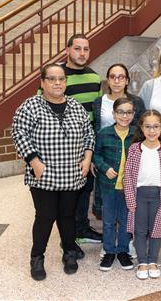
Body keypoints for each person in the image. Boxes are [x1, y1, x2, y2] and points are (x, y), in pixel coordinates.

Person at [12, 63, 95, 281]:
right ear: (42, 82)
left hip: (72, 175)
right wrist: (34, 161)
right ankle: (36, 258)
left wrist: (87, 158)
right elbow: (19, 134)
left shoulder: (76, 106)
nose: (57, 83)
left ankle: (69, 252)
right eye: (52, 79)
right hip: (43, 175)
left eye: (61, 79)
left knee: (67, 216)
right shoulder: (30, 106)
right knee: (45, 217)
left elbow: (89, 134)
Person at [59, 34, 103, 247]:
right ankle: (67, 238)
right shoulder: (57, 76)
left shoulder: (94, 78)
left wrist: (92, 150)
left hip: (86, 145)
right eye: (77, 48)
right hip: (62, 147)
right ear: (67, 50)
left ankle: (82, 229)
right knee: (66, 194)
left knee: (85, 188)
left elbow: (96, 114)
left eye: (86, 49)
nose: (82, 53)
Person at [123, 110, 161, 280]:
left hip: (159, 197)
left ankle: (153, 261)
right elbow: (128, 176)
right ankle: (142, 262)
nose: (152, 131)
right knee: (139, 231)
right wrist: (130, 198)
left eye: (155, 127)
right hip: (139, 195)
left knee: (157, 230)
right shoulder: (134, 149)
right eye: (148, 126)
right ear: (141, 127)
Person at [92, 63, 146, 220]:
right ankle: (108, 239)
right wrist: (95, 159)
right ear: (107, 80)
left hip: (130, 157)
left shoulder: (137, 102)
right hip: (106, 158)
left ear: (127, 81)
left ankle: (127, 237)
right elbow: (95, 129)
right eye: (112, 77)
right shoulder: (98, 102)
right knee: (106, 201)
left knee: (129, 200)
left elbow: (142, 132)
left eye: (121, 77)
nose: (117, 81)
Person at [93, 97, 136, 272]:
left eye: (128, 112)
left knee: (126, 221)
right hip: (109, 186)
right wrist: (104, 167)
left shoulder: (137, 134)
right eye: (120, 112)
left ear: (133, 115)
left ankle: (123, 251)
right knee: (109, 221)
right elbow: (96, 155)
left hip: (129, 188)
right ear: (114, 113)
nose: (124, 116)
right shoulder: (104, 133)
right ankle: (109, 251)